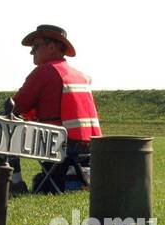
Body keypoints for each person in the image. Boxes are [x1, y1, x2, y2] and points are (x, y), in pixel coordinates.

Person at [8, 24, 101, 192]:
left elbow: (16, 106)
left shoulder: (45, 72)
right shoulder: (80, 75)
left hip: (58, 144)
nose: (31, 52)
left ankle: (14, 184)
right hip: (89, 150)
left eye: (35, 47)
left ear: (51, 47)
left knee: (3, 130)